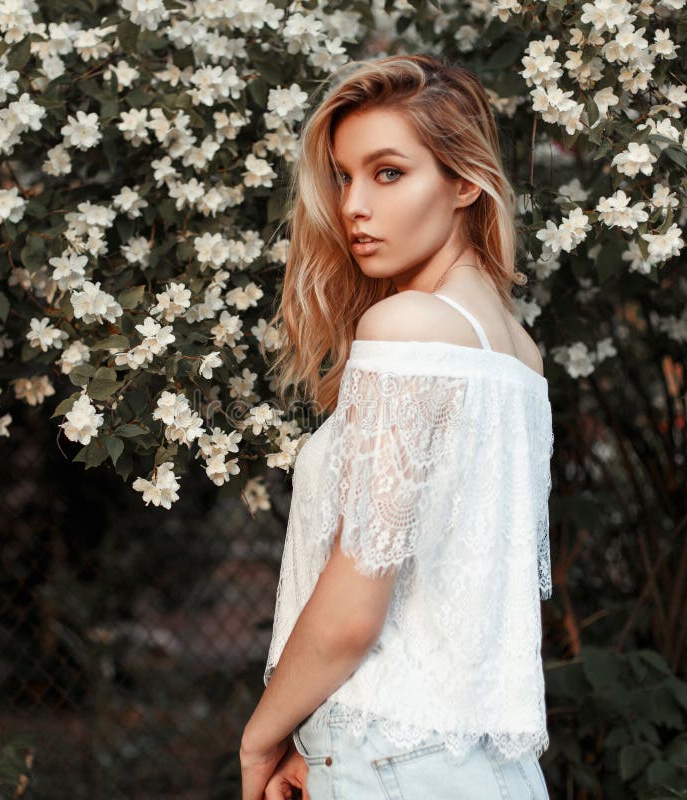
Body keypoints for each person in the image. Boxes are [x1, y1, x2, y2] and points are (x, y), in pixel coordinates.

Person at [239, 54, 554, 800]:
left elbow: (355, 608)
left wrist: (261, 738)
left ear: (465, 180)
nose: (352, 205)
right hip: (494, 770)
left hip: (384, 756)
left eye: (387, 172)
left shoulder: (405, 325)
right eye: (344, 176)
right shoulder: (520, 356)